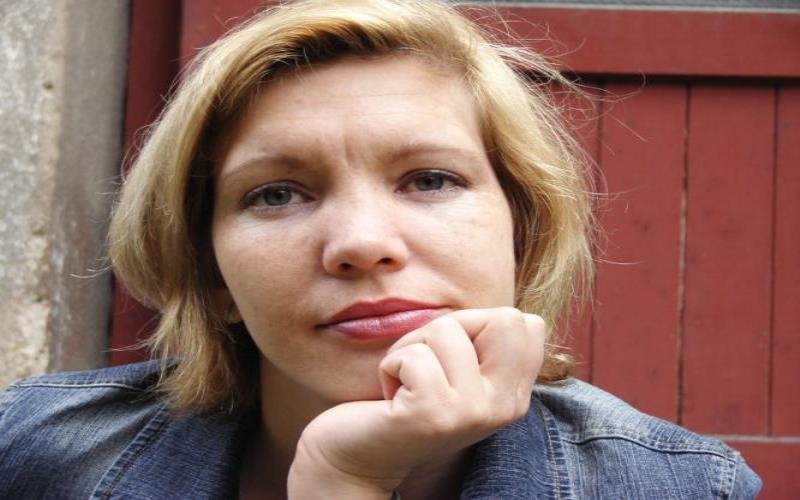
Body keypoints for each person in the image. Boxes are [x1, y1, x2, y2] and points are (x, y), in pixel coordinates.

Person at [0, 1, 761, 498]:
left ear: (523, 232)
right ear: (210, 271)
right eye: (277, 194)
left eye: (429, 180)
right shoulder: (36, 453)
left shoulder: (676, 487)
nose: (362, 244)